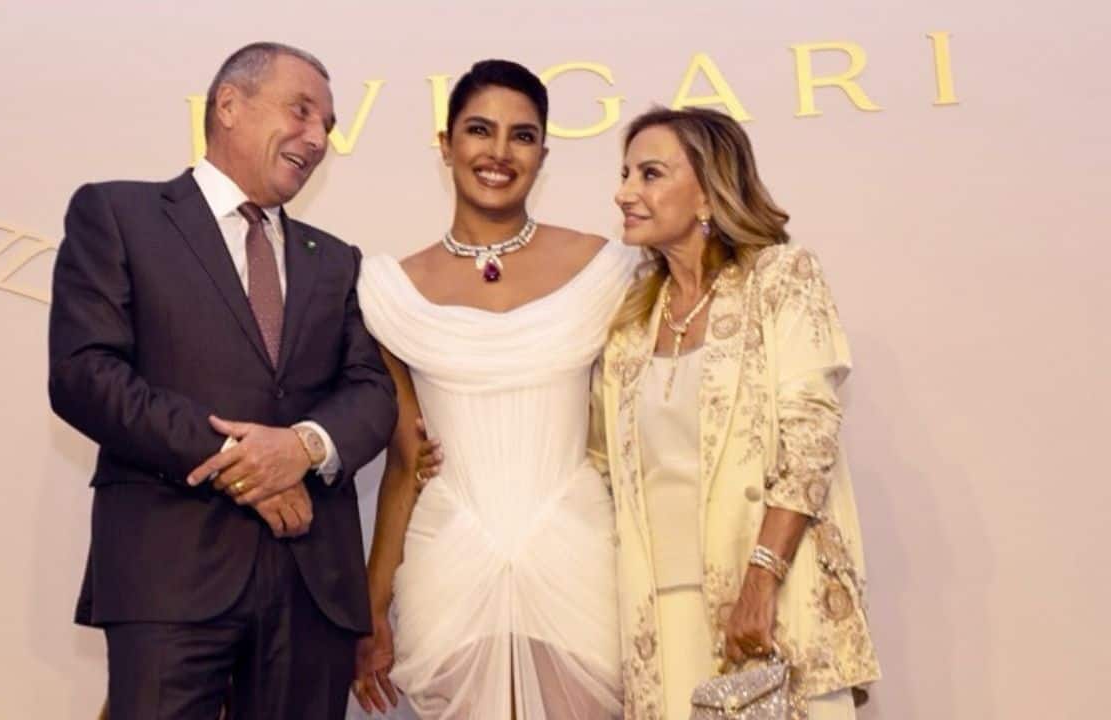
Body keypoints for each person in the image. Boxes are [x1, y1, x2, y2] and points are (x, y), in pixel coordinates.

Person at [47, 42, 398, 720]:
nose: (318, 138)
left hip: (310, 586)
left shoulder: (336, 261)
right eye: (302, 111)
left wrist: (302, 447)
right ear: (229, 105)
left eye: (328, 124)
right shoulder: (118, 215)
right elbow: (84, 375)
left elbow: (371, 392)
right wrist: (243, 462)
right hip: (169, 574)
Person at [350, 60, 637, 719]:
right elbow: (405, 461)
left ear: (543, 154)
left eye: (522, 135)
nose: (500, 152)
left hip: (578, 553)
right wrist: (372, 607)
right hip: (449, 561)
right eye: (480, 130)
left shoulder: (606, 270)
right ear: (446, 144)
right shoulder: (391, 292)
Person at [589, 107, 881, 718]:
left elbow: (810, 441)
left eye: (650, 174)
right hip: (657, 620)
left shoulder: (779, 278)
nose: (625, 193)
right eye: (625, 174)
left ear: (707, 192)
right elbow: (602, 468)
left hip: (768, 605)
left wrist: (761, 578)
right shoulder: (630, 323)